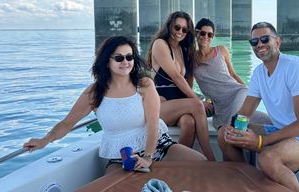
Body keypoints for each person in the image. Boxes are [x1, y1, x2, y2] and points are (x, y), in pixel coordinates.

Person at [24, 36, 205, 176]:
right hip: (120, 158)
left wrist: (148, 157)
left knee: (202, 164)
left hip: (158, 148)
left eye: (129, 57)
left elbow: (152, 124)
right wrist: (44, 140)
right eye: (119, 58)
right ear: (107, 61)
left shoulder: (144, 85)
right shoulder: (94, 93)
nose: (125, 62)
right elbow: (67, 123)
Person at [219, 22, 299, 192]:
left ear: (277, 41)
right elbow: (245, 113)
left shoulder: (294, 67)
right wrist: (233, 127)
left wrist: (261, 141)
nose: (259, 45)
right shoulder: (259, 73)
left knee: (268, 158)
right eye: (254, 42)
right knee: (224, 135)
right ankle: (248, 184)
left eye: (264, 39)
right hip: (285, 130)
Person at [146, 11, 216, 160]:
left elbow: (188, 81)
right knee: (197, 105)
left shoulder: (184, 49)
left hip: (178, 105)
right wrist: (198, 100)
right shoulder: (160, 44)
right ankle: (211, 159)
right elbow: (177, 77)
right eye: (177, 27)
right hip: (160, 105)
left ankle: (178, 165)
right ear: (169, 26)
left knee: (189, 123)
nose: (180, 32)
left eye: (184, 29)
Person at [193, 18, 271, 130]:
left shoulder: (221, 50)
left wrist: (250, 94)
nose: (206, 37)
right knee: (267, 121)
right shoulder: (192, 59)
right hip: (220, 108)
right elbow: (188, 85)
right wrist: (200, 102)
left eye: (210, 35)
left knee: (234, 124)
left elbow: (233, 75)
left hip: (236, 93)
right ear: (196, 33)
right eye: (203, 33)